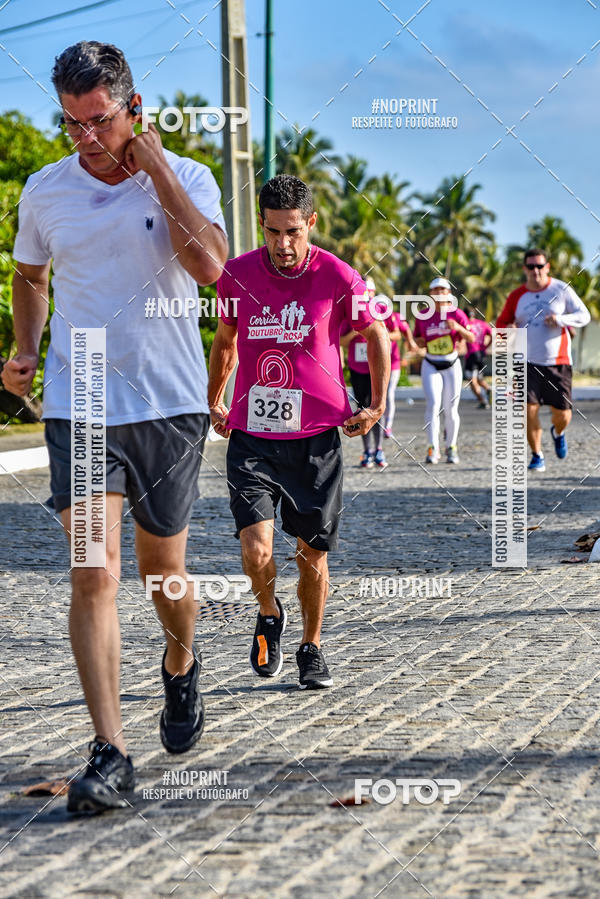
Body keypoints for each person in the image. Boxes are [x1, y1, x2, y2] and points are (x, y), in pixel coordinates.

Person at [1, 41, 228, 812]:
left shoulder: (188, 177)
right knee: (93, 570)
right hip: (82, 392)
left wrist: (157, 167)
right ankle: (110, 750)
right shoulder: (45, 189)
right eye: (71, 124)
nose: (86, 139)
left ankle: (180, 657)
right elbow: (30, 276)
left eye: (99, 122)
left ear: (134, 109)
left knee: (162, 571)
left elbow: (212, 268)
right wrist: (26, 347)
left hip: (167, 399)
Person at [208, 175, 389, 689]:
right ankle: (269, 612)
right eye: (272, 232)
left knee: (311, 554)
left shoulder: (338, 275)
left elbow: (376, 334)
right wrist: (215, 400)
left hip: (315, 440)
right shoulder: (237, 275)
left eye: (292, 232)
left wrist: (375, 404)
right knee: (256, 551)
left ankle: (312, 646)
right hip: (253, 437)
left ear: (311, 222)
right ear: (261, 225)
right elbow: (226, 341)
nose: (282, 245)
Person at [497, 248, 590, 471]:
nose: (535, 271)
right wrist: (508, 329)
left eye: (540, 266)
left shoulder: (561, 289)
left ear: (547, 267)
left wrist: (560, 319)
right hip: (527, 363)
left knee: (563, 415)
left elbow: (584, 315)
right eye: (531, 266)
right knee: (527, 409)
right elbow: (501, 325)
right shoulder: (516, 296)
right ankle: (537, 454)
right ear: (524, 269)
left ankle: (557, 432)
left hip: (558, 361)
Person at [413, 277, 475, 464]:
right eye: (435, 290)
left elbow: (472, 338)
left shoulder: (457, 315)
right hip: (431, 364)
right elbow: (417, 338)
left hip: (451, 364)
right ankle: (433, 448)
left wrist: (457, 328)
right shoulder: (423, 315)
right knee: (432, 406)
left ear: (449, 293)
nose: (439, 293)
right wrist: (420, 342)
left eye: (443, 290)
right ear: (430, 294)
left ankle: (451, 447)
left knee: (451, 409)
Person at [340, 281, 389, 469]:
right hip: (357, 367)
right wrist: (355, 333)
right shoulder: (350, 310)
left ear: (375, 292)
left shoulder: (381, 308)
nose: (366, 293)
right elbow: (341, 340)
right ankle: (367, 451)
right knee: (362, 408)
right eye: (363, 289)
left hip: (375, 367)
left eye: (370, 290)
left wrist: (373, 333)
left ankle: (379, 449)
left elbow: (391, 334)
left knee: (377, 405)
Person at [463, 314, 492, 408]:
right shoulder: (482, 324)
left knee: (472, 380)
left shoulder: (465, 324)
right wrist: (486, 346)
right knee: (479, 378)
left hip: (472, 355)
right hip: (481, 354)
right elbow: (492, 335)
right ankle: (488, 390)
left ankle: (483, 401)